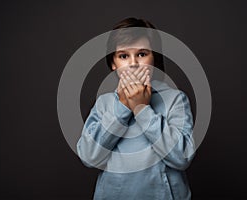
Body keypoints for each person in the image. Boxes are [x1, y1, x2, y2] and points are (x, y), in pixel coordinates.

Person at [77, 17, 195, 200]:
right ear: (113, 65)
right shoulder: (104, 103)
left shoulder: (175, 99)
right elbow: (89, 156)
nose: (133, 63)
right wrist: (123, 107)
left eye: (141, 54)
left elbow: (182, 157)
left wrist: (141, 109)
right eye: (124, 56)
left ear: (154, 58)